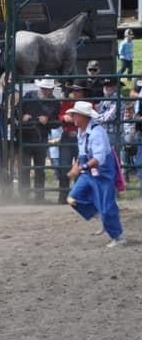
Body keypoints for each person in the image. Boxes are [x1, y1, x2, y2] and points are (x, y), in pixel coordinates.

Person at [64, 100, 126, 247]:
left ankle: (118, 236)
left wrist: (80, 168)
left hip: (103, 172)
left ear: (83, 116)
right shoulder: (82, 131)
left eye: (75, 115)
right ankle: (102, 217)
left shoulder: (97, 133)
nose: (73, 118)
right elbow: (82, 153)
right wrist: (76, 166)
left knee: (107, 205)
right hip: (89, 170)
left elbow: (99, 159)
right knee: (73, 198)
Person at [16, 76, 60, 201]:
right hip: (26, 136)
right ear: (40, 87)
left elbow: (56, 122)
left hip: (41, 137)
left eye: (48, 89)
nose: (46, 91)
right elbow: (17, 110)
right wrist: (22, 116)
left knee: (39, 168)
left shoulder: (54, 103)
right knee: (25, 167)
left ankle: (39, 196)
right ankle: (24, 196)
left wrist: (48, 121)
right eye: (44, 88)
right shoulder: (29, 96)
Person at [57, 80, 89, 203]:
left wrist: (72, 119)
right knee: (64, 166)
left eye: (78, 90)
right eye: (74, 90)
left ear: (83, 92)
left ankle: (77, 195)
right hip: (68, 136)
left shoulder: (87, 104)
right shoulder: (68, 103)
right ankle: (63, 195)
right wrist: (64, 117)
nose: (75, 93)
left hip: (81, 137)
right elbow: (60, 115)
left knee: (81, 166)